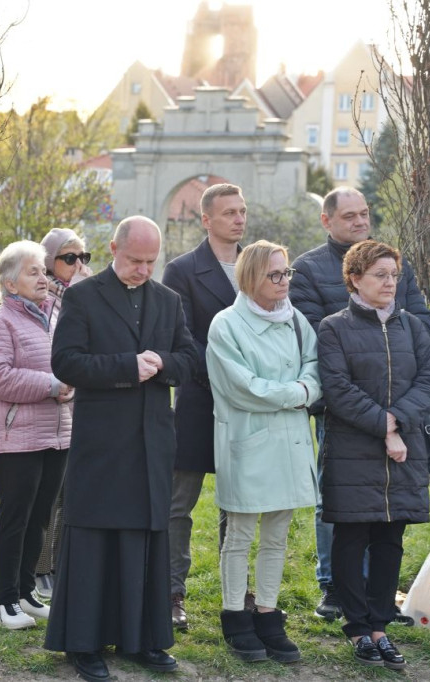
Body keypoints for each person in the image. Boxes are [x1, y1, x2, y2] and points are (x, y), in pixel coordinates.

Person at [45, 216, 197, 682]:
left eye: (151, 262)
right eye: (135, 260)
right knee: (93, 541)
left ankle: (142, 638)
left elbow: (190, 360)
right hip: (102, 443)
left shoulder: (168, 301)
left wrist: (162, 363)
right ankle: (84, 643)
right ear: (114, 249)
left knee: (143, 541)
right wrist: (127, 367)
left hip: (151, 442)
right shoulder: (84, 296)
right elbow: (65, 361)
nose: (143, 270)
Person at [290, 187, 430, 620]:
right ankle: (335, 587)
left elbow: (419, 324)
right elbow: (316, 340)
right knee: (341, 502)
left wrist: (397, 415)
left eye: (365, 213)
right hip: (348, 410)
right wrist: (377, 416)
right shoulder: (310, 269)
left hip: (400, 403)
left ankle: (378, 596)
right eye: (349, 215)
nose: (359, 221)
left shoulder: (393, 265)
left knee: (388, 508)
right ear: (327, 220)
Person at [317, 240, 430, 670]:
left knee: (390, 540)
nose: (390, 283)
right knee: (352, 537)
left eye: (394, 275)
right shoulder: (334, 327)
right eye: (379, 275)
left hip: (404, 449)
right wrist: (384, 426)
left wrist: (395, 420)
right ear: (355, 279)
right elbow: (337, 389)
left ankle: (380, 628)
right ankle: (357, 628)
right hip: (354, 450)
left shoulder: (412, 327)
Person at [206, 240, 320, 663]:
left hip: (289, 443)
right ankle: (235, 616)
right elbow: (243, 388)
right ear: (251, 277)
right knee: (238, 536)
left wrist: (302, 389)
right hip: (249, 441)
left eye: (286, 273)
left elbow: (315, 367)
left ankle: (269, 615)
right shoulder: (226, 325)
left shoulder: (296, 321)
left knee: (276, 537)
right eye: (275, 275)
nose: (284, 282)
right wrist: (297, 393)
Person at [0, 240, 73, 629]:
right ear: (9, 284)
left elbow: (72, 363)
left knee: (40, 518)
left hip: (58, 433)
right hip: (16, 437)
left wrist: (72, 381)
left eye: (44, 271)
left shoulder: (57, 316)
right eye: (33, 271)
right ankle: (4, 602)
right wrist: (52, 384)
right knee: (15, 517)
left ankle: (26, 592)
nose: (44, 279)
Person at [161, 182, 245, 630]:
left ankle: (238, 593)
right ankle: (173, 591)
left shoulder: (260, 265)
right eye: (229, 212)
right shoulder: (182, 270)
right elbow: (182, 338)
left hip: (250, 408)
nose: (239, 218)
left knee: (242, 503)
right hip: (198, 400)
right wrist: (228, 374)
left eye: (242, 210)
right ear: (206, 219)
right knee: (180, 503)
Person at [33, 228, 91, 600]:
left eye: (83, 257)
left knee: (72, 490)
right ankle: (39, 569)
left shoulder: (85, 296)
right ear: (49, 261)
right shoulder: (40, 298)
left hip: (82, 405)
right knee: (46, 495)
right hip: (47, 404)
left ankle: (61, 565)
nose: (78, 265)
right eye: (69, 258)